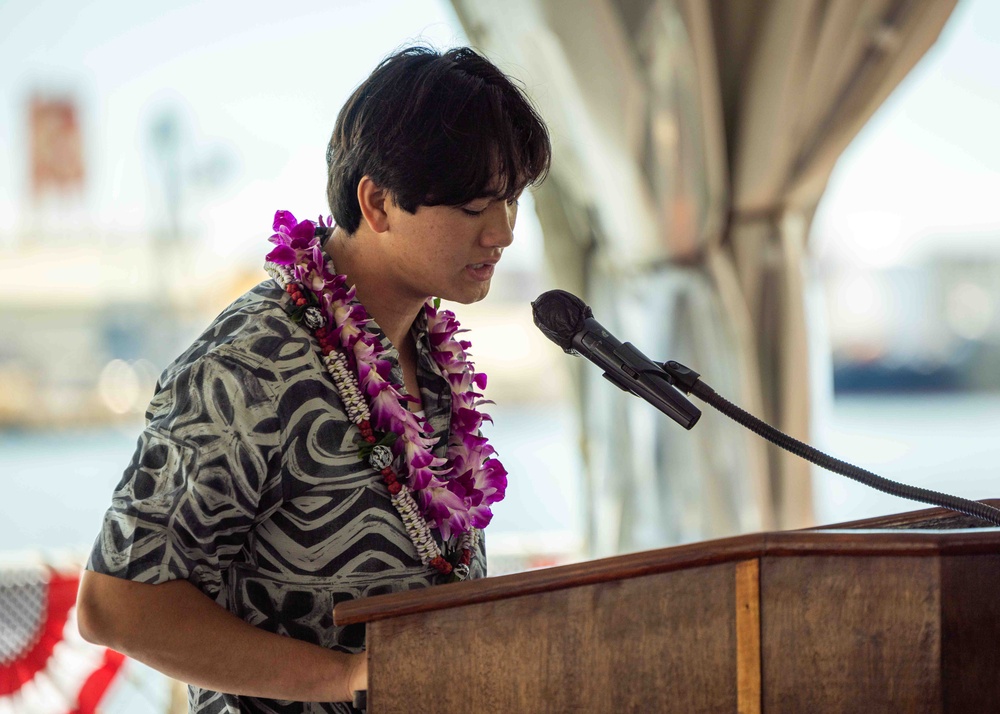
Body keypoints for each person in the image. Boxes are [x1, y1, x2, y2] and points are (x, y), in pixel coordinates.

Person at [77, 45, 551, 713]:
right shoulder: (251, 365)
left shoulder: (428, 346)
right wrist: (349, 678)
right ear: (379, 203)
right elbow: (117, 604)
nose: (503, 233)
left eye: (511, 200)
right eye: (475, 206)